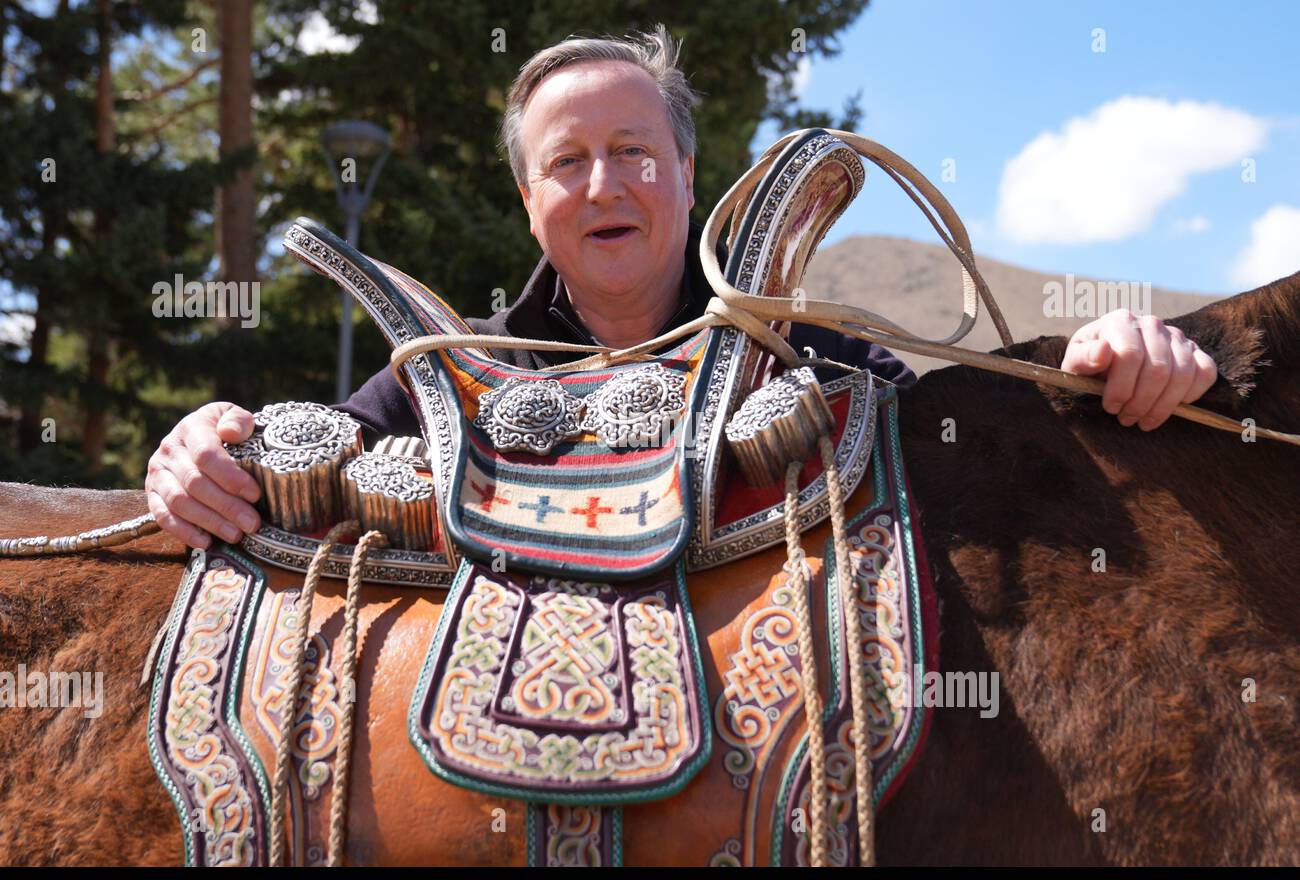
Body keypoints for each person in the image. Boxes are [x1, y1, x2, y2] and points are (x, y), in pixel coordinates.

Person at [145, 24, 1220, 551]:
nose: (602, 184)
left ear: (688, 174)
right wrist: (196, 449)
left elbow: (959, 428)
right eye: (566, 163)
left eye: (633, 151)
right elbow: (302, 449)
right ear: (529, 202)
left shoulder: (811, 362)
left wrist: (1102, 361)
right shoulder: (451, 373)